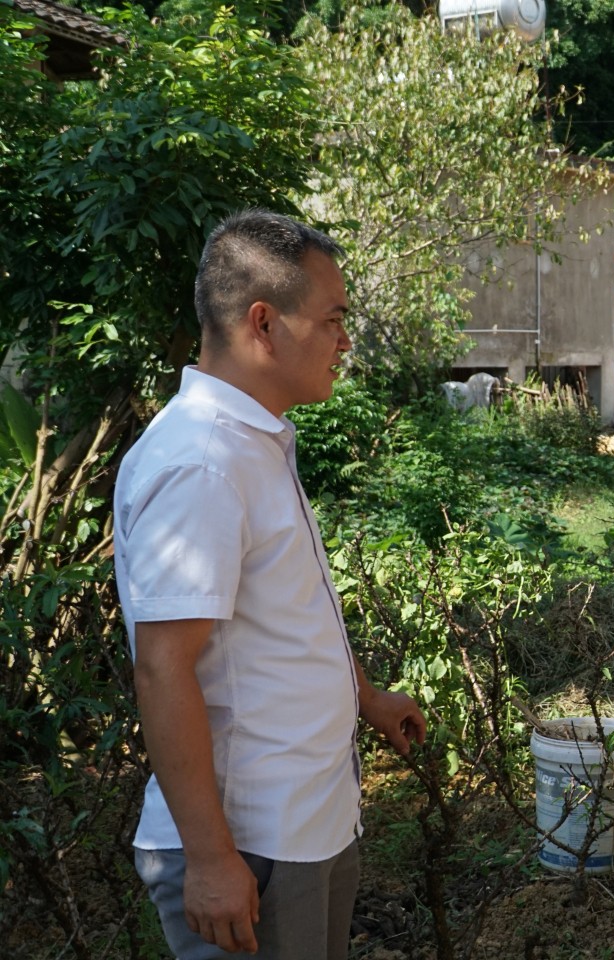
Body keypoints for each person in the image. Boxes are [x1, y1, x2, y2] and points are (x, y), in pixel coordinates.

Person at [114, 209, 426, 959]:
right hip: (250, 841)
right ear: (264, 323)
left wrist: (364, 697)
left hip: (305, 823)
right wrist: (214, 859)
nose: (345, 341)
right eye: (333, 319)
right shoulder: (201, 462)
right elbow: (164, 666)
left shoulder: (254, 441)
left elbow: (290, 612)